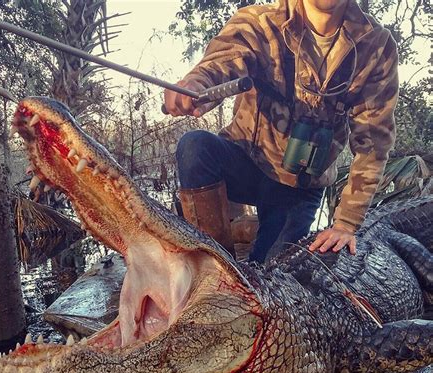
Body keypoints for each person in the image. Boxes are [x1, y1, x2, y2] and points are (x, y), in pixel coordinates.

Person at [164, 0, 398, 263]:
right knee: (195, 146)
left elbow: (373, 144)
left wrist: (345, 223)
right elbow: (222, 62)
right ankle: (213, 266)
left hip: (299, 185)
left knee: (270, 276)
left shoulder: (376, 46)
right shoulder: (258, 22)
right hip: (246, 163)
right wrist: (196, 86)